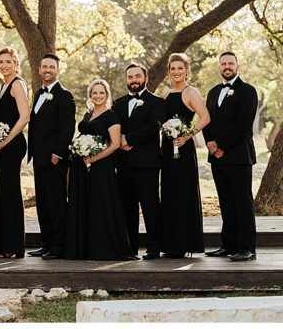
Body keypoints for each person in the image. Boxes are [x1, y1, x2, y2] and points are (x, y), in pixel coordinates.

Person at [64, 78, 133, 260]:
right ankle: (84, 247)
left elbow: (115, 144)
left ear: (107, 95)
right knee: (84, 203)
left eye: (101, 92)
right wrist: (78, 148)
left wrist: (93, 158)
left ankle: (103, 248)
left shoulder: (111, 116)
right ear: (90, 95)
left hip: (101, 167)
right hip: (82, 168)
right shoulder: (88, 114)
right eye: (95, 93)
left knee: (100, 205)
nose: (98, 96)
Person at [203, 51, 258, 262]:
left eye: (230, 63)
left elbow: (242, 124)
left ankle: (247, 248)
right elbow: (206, 120)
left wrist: (220, 144)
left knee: (242, 203)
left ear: (237, 65)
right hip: (217, 157)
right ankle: (228, 245)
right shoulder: (213, 92)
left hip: (239, 156)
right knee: (225, 203)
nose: (227, 66)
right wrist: (210, 143)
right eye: (223, 64)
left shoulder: (248, 91)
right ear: (219, 67)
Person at [112, 61, 167, 259]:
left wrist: (129, 139)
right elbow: (113, 126)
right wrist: (120, 140)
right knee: (128, 207)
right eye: (130, 77)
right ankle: (130, 248)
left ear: (145, 78)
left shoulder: (157, 102)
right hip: (123, 162)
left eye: (137, 76)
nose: (133, 80)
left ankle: (154, 247)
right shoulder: (117, 103)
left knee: (150, 205)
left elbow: (154, 126)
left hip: (147, 164)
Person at [160, 53, 210, 258]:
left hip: (183, 148)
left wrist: (188, 136)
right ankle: (171, 244)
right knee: (169, 192)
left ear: (187, 70)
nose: (176, 72)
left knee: (183, 192)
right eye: (173, 68)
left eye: (180, 68)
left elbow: (206, 117)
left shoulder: (191, 93)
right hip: (167, 148)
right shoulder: (166, 93)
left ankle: (185, 242)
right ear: (169, 71)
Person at [27, 53, 75, 260]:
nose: (47, 70)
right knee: (43, 204)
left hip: (54, 160)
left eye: (51, 67)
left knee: (56, 204)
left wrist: (57, 154)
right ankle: (47, 244)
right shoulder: (38, 94)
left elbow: (67, 129)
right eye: (44, 66)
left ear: (58, 70)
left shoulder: (64, 95)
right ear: (39, 70)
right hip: (39, 159)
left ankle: (59, 245)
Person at [0, 46, 30, 259]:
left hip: (13, 144)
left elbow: (24, 117)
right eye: (1, 62)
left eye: (8, 61)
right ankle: (6, 244)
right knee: (4, 191)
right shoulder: (4, 85)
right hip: (4, 145)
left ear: (16, 63)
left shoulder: (17, 84)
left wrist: (5, 141)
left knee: (11, 191)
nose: (4, 65)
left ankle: (14, 246)